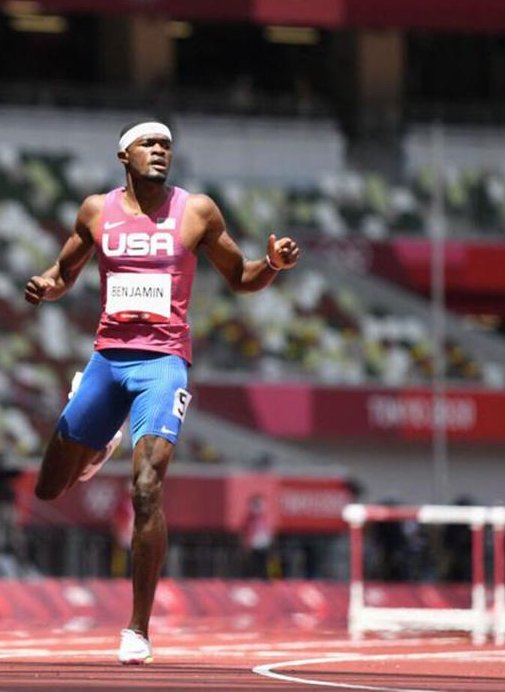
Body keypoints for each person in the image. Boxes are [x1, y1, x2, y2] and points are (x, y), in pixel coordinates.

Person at [24, 119, 299, 664]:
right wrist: (46, 286)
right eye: (148, 144)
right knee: (49, 489)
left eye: (167, 146)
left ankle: (138, 629)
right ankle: (97, 439)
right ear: (123, 156)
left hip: (163, 363)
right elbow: (63, 271)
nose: (160, 152)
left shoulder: (196, 212)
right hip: (106, 360)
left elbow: (240, 278)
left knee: (147, 487)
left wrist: (271, 264)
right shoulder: (96, 212)